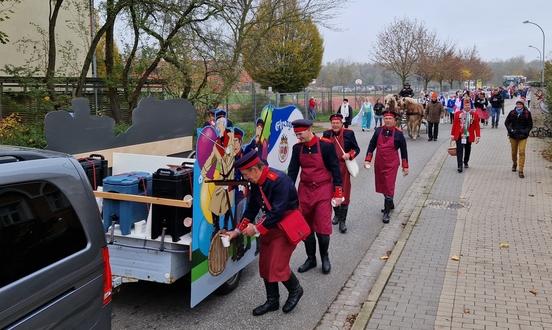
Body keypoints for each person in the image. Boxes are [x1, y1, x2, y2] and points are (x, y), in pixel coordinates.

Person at [225, 151, 303, 315]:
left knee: (277, 264)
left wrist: (255, 229)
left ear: (255, 169)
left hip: (286, 224)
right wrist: (238, 230)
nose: (247, 178)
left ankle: (296, 290)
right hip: (270, 224)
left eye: (247, 175)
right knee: (266, 263)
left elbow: (278, 211)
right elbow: (252, 207)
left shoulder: (279, 180)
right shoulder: (256, 182)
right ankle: (272, 301)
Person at [287, 119, 343, 274]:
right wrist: (287, 192)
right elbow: (292, 172)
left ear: (309, 129)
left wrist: (338, 192)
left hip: (323, 190)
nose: (299, 137)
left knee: (323, 228)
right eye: (296, 134)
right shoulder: (297, 149)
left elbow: (335, 169)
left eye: (300, 133)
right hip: (304, 192)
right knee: (305, 228)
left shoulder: (325, 146)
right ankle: (311, 258)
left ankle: (325, 257)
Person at [364, 110, 409, 224]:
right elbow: (372, 145)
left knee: (389, 185)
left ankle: (386, 213)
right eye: (386, 119)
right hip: (379, 163)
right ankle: (390, 202)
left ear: (394, 120)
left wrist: (405, 166)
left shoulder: (399, 134)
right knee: (382, 184)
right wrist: (368, 159)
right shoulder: (378, 131)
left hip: (391, 164)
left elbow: (404, 151)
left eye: (390, 119)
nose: (388, 120)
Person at [322, 113, 360, 233]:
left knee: (344, 193)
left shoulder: (349, 134)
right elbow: (322, 149)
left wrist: (349, 155)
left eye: (337, 123)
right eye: (333, 123)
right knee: (332, 192)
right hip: (330, 169)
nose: (335, 125)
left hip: (343, 169)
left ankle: (343, 221)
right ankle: (337, 215)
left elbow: (356, 149)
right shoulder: (327, 134)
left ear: (341, 123)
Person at [451, 96, 481, 173]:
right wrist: (452, 134)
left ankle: (466, 161)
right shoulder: (458, 114)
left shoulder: (474, 114)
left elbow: (477, 126)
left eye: (468, 105)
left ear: (470, 105)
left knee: (467, 149)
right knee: (459, 151)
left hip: (468, 135)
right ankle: (459, 166)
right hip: (460, 135)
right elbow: (454, 124)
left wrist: (477, 136)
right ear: (463, 106)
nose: (467, 107)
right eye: (465, 105)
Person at [504, 100, 533, 178]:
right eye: (517, 104)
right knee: (514, 152)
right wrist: (511, 130)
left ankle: (521, 170)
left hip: (523, 136)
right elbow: (506, 123)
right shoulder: (512, 112)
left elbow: (530, 125)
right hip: (513, 135)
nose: (519, 105)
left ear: (523, 105)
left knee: (522, 152)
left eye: (520, 104)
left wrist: (525, 131)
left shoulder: (527, 113)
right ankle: (514, 163)